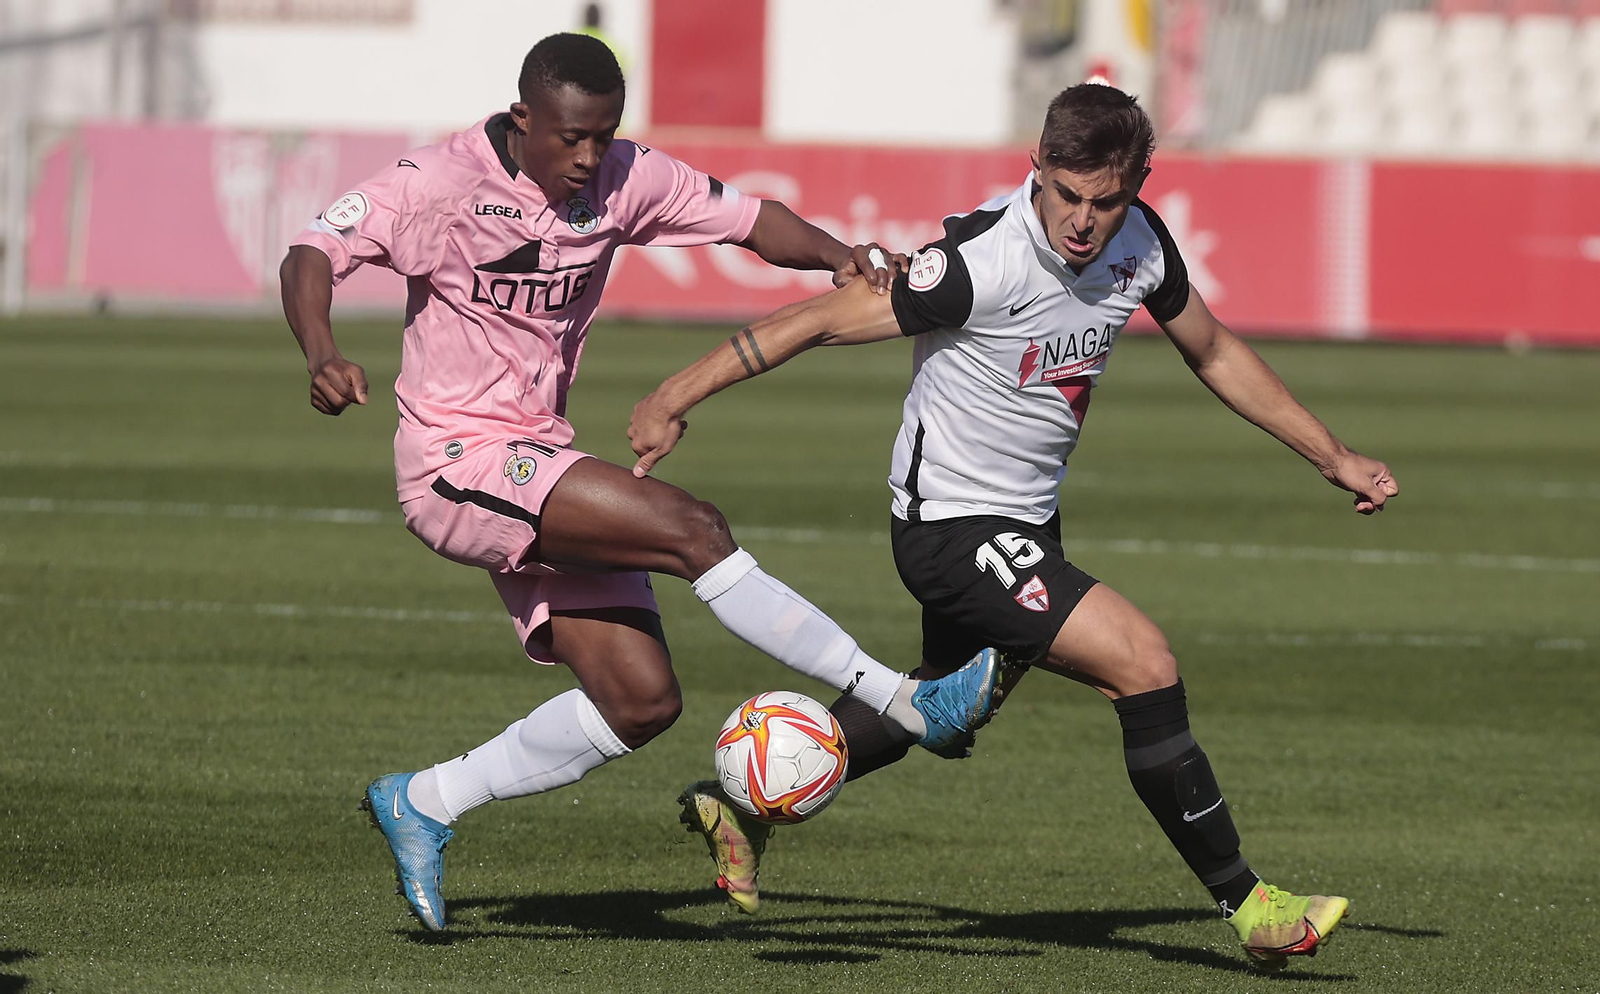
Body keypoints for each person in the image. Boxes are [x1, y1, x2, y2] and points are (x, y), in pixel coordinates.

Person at [629, 82, 1400, 969]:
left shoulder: (1142, 244)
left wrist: (1331, 456)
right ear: (1035, 169)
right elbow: (817, 323)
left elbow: (1214, 348)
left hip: (1027, 522)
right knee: (1143, 664)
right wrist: (670, 396)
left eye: (1104, 201)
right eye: (1065, 194)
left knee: (938, 710)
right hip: (950, 527)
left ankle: (743, 806)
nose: (1081, 220)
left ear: (1138, 185)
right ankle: (1252, 906)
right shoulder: (976, 263)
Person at [278, 32, 1003, 932]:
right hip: (455, 462)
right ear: (523, 120)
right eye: (570, 138)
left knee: (642, 701)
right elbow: (313, 251)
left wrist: (833, 255)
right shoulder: (437, 183)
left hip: (538, 456)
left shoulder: (624, 174)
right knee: (694, 529)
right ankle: (904, 698)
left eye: (604, 135)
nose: (589, 158)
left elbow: (749, 218)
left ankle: (422, 801)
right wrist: (322, 351)